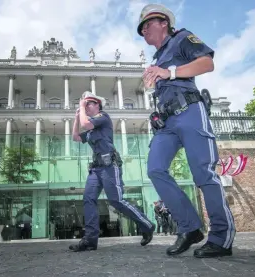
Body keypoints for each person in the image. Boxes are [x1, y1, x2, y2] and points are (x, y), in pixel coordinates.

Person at [137, 4, 235, 258]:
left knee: (202, 172)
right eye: (142, 27)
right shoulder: (156, 59)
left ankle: (221, 237)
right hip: (167, 122)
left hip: (190, 112)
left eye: (148, 24)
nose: (144, 30)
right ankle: (190, 227)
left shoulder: (182, 37)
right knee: (155, 169)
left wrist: (168, 72)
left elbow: (206, 63)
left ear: (163, 23)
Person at [68, 91, 155, 252]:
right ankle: (90, 240)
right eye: (85, 104)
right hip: (96, 168)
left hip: (109, 165)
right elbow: (75, 137)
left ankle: (147, 225)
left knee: (116, 201)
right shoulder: (91, 129)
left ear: (97, 105)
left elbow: (86, 124)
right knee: (88, 198)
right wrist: (76, 117)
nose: (86, 106)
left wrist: (81, 105)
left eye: (89, 104)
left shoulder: (103, 117)